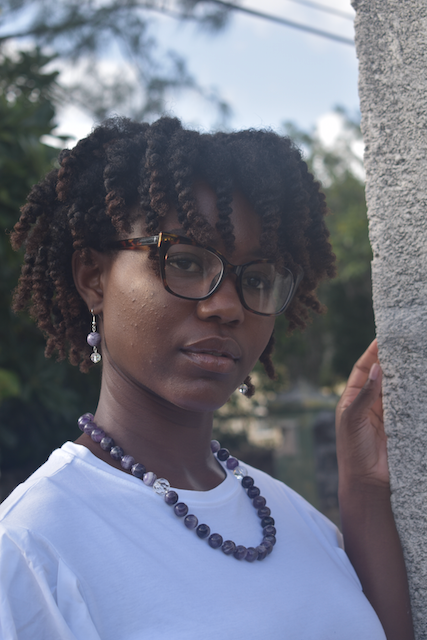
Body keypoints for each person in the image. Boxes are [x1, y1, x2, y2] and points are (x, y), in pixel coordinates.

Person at [0, 117, 413, 640]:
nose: (226, 306)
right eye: (186, 262)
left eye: (258, 279)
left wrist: (367, 488)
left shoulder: (297, 518)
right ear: (92, 277)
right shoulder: (33, 549)